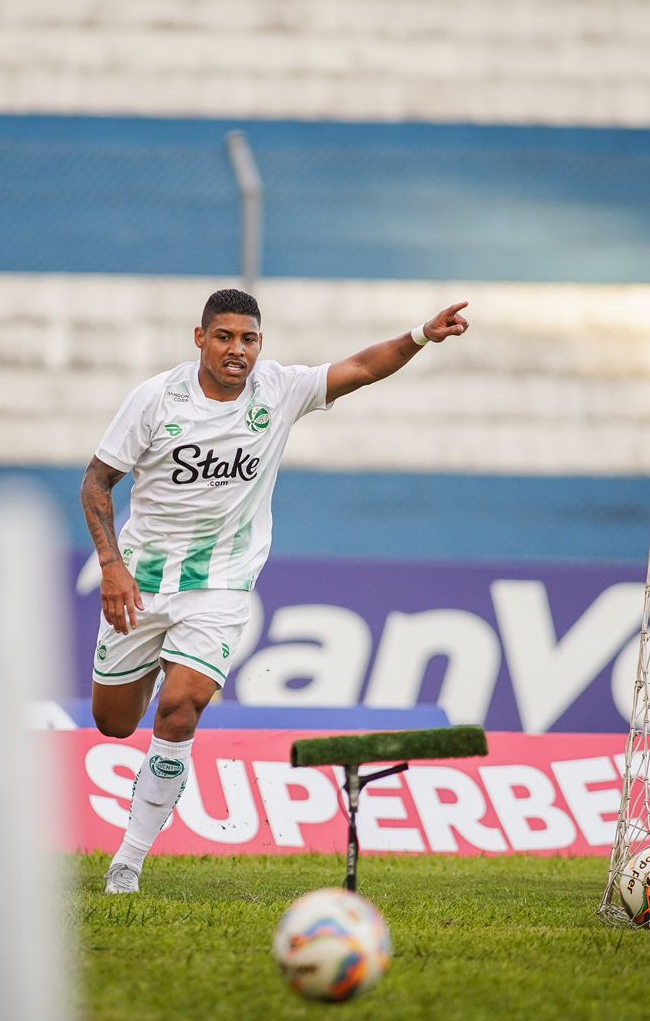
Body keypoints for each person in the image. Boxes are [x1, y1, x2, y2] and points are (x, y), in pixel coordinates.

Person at [81, 287, 469, 893]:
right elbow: (97, 482)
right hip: (142, 582)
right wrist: (110, 565)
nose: (238, 350)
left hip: (223, 582)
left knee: (182, 708)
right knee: (113, 724)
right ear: (200, 338)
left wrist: (421, 334)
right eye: (225, 337)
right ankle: (160, 668)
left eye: (249, 339)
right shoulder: (157, 400)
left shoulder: (279, 390)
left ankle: (128, 862)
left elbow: (364, 367)